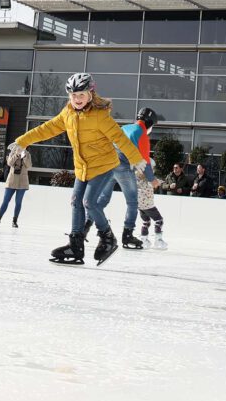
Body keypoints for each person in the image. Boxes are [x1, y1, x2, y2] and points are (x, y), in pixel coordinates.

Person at [12, 73, 146, 266]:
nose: (77, 99)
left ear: (90, 94)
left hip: (103, 166)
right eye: (73, 95)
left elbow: (119, 138)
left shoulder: (100, 116)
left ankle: (108, 238)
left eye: (81, 95)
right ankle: (75, 246)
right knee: (76, 202)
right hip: (82, 167)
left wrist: (135, 158)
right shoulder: (67, 114)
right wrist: (22, 141)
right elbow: (46, 129)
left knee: (89, 202)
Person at [91, 106, 158, 251]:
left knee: (101, 199)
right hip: (123, 167)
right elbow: (145, 162)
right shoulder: (142, 135)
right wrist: (152, 180)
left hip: (108, 164)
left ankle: (84, 228)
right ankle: (127, 236)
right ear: (150, 123)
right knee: (132, 202)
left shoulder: (125, 127)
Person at [0, 145, 32, 228]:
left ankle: (14, 221)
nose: (22, 147)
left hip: (22, 181)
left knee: (18, 203)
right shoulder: (13, 152)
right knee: (5, 201)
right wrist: (16, 154)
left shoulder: (27, 154)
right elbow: (9, 163)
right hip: (11, 180)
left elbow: (29, 166)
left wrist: (24, 156)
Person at [135, 169, 167, 249]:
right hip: (149, 206)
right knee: (159, 221)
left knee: (146, 222)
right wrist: (163, 182)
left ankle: (144, 239)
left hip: (140, 207)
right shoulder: (149, 181)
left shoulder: (136, 181)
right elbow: (156, 183)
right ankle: (158, 240)